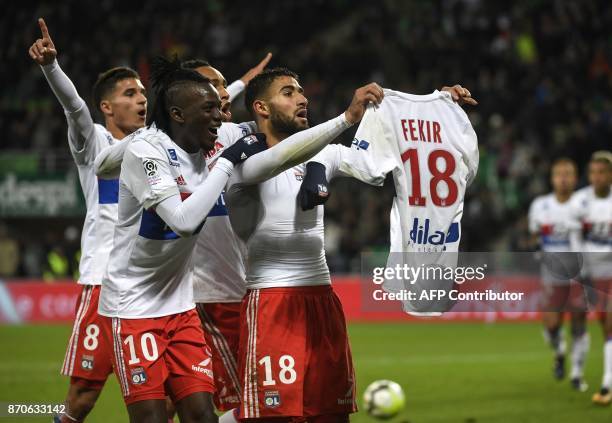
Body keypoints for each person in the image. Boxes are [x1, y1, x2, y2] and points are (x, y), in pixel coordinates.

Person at [97, 57, 372, 423]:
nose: (221, 115)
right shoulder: (150, 148)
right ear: (180, 114)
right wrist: (225, 163)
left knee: (204, 414)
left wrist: (323, 157)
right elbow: (181, 219)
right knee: (157, 415)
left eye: (221, 104)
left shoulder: (222, 136)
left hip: (181, 303)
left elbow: (281, 150)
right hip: (134, 304)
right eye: (210, 107)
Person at [223, 67, 385, 422]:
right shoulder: (241, 164)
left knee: (330, 415)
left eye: (301, 90)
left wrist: (433, 109)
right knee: (276, 417)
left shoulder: (324, 153)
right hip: (272, 303)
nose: (302, 97)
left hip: (323, 300)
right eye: (288, 92)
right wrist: (345, 119)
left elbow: (377, 169)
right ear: (262, 108)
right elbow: (282, 158)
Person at [28, 17, 147, 423]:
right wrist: (51, 67)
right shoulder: (94, 142)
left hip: (151, 285)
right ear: (108, 107)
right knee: (82, 395)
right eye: (130, 93)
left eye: (144, 92)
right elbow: (74, 107)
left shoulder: (156, 147)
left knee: (162, 396)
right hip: (103, 283)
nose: (141, 99)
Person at [527, 158, 588, 391]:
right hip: (551, 275)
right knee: (551, 325)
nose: (563, 178)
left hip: (579, 274)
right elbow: (533, 236)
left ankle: (577, 374)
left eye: (568, 174)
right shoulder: (540, 206)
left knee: (578, 323)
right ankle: (560, 351)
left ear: (575, 177)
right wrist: (535, 250)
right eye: (559, 174)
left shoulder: (583, 205)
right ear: (552, 178)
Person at [570, 151, 612, 405]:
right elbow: (575, 239)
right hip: (590, 273)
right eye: (593, 172)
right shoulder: (579, 202)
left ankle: (607, 384)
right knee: (597, 324)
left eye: (602, 172)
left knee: (609, 326)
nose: (597, 177)